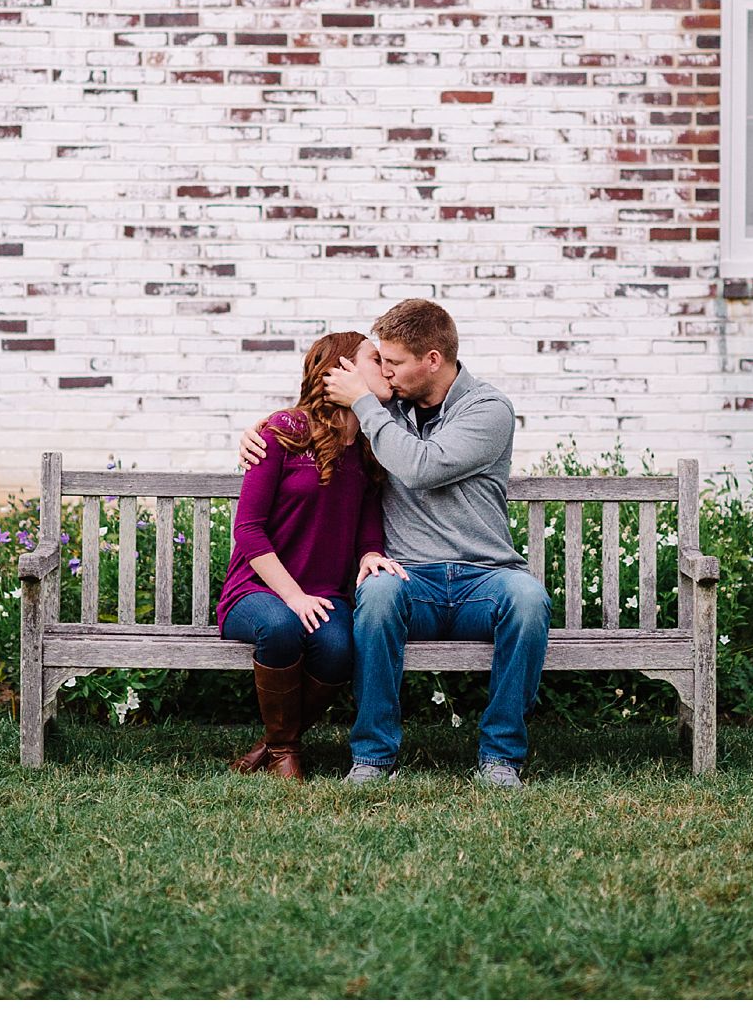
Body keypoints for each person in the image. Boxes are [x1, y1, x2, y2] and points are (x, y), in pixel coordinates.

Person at [240, 299, 551, 789]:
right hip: (409, 577)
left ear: (432, 360)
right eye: (379, 360)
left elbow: (422, 466)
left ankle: (500, 757)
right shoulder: (386, 405)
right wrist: (260, 430)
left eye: (394, 362)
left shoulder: (488, 409)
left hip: (486, 578)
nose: (383, 371)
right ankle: (372, 756)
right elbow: (318, 417)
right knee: (378, 594)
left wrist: (364, 402)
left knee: (529, 598)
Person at [219, 331, 398, 781]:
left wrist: (370, 554)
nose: (388, 368)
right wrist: (294, 597)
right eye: (376, 359)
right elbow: (248, 528)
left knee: (338, 648)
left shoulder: (370, 446)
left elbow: (367, 525)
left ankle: (272, 745)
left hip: (324, 593)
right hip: (256, 589)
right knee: (280, 626)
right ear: (341, 370)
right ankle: (285, 754)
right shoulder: (284, 432)